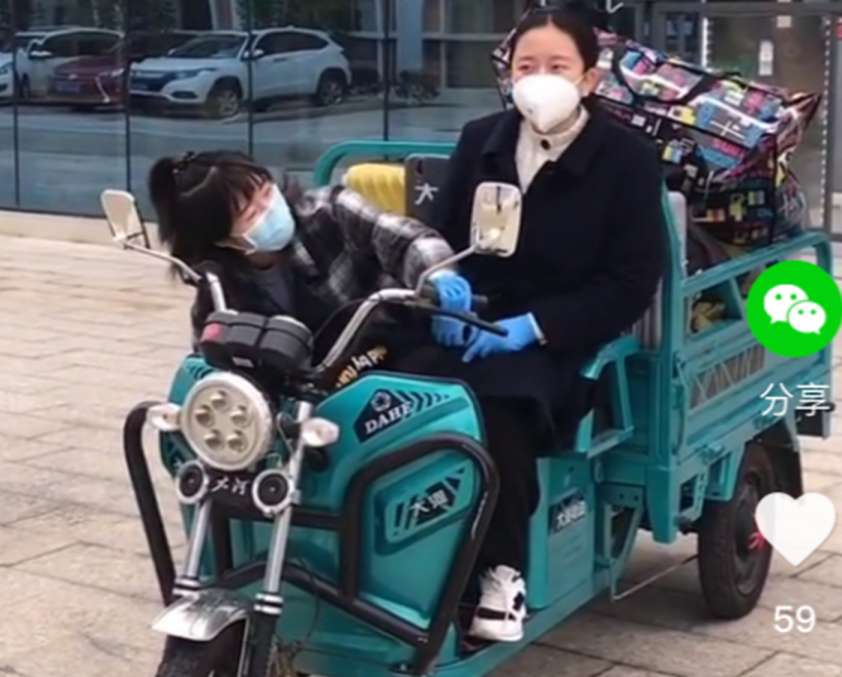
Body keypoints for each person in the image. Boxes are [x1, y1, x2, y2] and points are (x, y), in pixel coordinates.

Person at [424, 4, 667, 642]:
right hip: (467, 320)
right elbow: (437, 236)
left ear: (589, 78)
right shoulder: (481, 139)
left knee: (495, 408)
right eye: (525, 65)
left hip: (559, 337)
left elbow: (630, 282)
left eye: (557, 66)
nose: (539, 78)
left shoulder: (627, 159)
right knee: (388, 382)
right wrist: (442, 286)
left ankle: (501, 573)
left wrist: (533, 327)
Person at [147, 150, 476, 370]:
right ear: (221, 238)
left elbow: (410, 239)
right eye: (251, 213)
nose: (269, 208)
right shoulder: (217, 284)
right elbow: (208, 359)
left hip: (386, 353)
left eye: (267, 192)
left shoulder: (329, 210)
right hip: (305, 395)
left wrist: (439, 277)